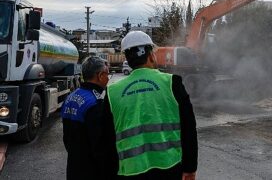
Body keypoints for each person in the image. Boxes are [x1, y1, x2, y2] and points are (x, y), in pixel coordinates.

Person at [103, 31, 198, 180]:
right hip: (169, 167)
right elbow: (189, 129)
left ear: (127, 57)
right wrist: (190, 168)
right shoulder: (172, 82)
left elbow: (107, 141)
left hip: (130, 170)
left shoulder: (112, 92)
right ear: (151, 55)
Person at [61, 56, 110, 180]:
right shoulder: (95, 102)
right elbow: (99, 145)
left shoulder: (70, 97)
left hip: (73, 166)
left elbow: (66, 138)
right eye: (107, 74)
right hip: (91, 170)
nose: (108, 78)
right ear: (99, 76)